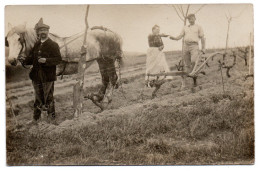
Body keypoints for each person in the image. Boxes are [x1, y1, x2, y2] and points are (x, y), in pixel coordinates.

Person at [22, 18, 62, 122]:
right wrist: (24, 60)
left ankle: (51, 119)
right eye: (41, 31)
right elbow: (32, 59)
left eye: (45, 30)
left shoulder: (53, 45)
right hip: (36, 76)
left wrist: (46, 60)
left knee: (48, 97)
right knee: (37, 98)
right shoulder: (37, 44)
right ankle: (36, 119)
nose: (43, 32)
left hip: (48, 76)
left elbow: (58, 59)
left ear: (48, 32)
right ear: (38, 33)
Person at [169, 14, 206, 89]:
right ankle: (185, 84)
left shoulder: (198, 27)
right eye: (189, 19)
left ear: (195, 18)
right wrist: (175, 38)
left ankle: (194, 77)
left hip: (194, 46)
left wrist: (203, 48)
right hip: (185, 46)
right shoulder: (185, 27)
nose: (190, 20)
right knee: (186, 65)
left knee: (193, 61)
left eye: (192, 18)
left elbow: (202, 38)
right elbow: (180, 35)